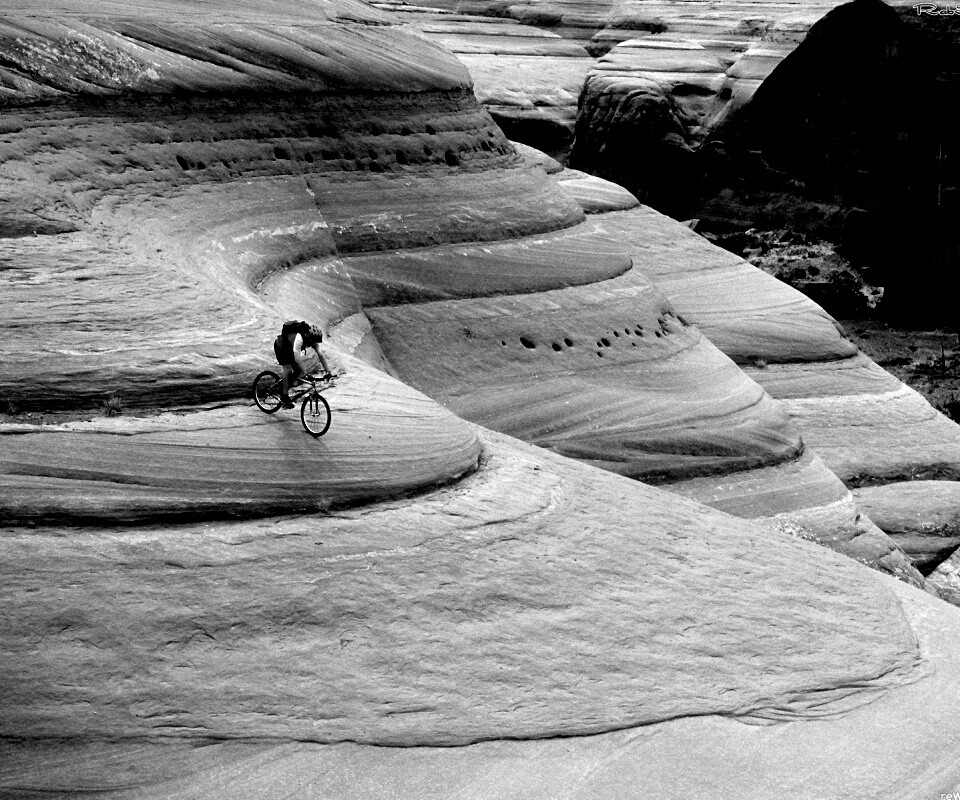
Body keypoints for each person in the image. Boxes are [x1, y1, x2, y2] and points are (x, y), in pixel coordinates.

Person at [273, 320, 332, 408]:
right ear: (308, 336)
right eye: (312, 341)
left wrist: (328, 372)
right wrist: (304, 371)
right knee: (288, 368)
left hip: (291, 349)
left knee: (299, 373)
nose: (313, 344)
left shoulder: (314, 341)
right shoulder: (299, 337)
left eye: (315, 342)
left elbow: (321, 355)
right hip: (281, 346)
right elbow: (296, 358)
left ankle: (285, 385)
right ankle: (284, 395)